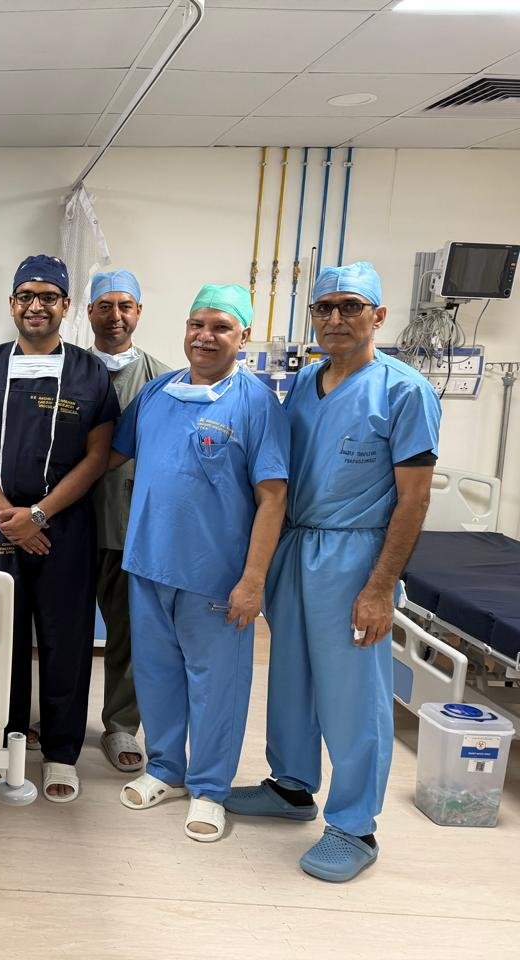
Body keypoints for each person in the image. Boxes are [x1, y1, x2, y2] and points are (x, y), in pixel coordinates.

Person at [226, 262, 441, 881]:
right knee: (291, 680)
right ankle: (292, 788)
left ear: (379, 315)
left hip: (355, 556)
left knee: (353, 697)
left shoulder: (403, 391)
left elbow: (414, 500)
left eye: (351, 306)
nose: (336, 318)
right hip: (296, 548)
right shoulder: (304, 383)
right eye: (324, 307)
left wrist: (379, 588)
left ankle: (355, 826)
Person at [108, 284, 289, 843]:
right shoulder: (158, 392)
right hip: (149, 564)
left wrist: (253, 580)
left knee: (216, 684)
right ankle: (166, 769)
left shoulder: (256, 403)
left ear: (243, 336)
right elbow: (109, 455)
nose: (205, 337)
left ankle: (210, 788)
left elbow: (273, 498)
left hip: (215, 575)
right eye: (197, 324)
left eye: (220, 327)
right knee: (156, 675)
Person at [0, 254, 118, 803]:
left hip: (62, 526)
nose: (36, 306)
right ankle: (4, 740)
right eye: (26, 295)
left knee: (64, 638)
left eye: (48, 296)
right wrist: (9, 514)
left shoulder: (89, 372)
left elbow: (97, 456)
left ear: (66, 305)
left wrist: (39, 515)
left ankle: (62, 752)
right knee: (1, 637)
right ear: (12, 303)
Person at [86, 270, 172, 773]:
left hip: (133, 527)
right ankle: (57, 720)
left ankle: (120, 725)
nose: (115, 316)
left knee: (129, 634)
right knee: (62, 630)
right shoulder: (68, 370)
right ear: (89, 312)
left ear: (138, 312)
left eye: (125, 306)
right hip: (70, 525)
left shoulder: (164, 382)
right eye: (105, 305)